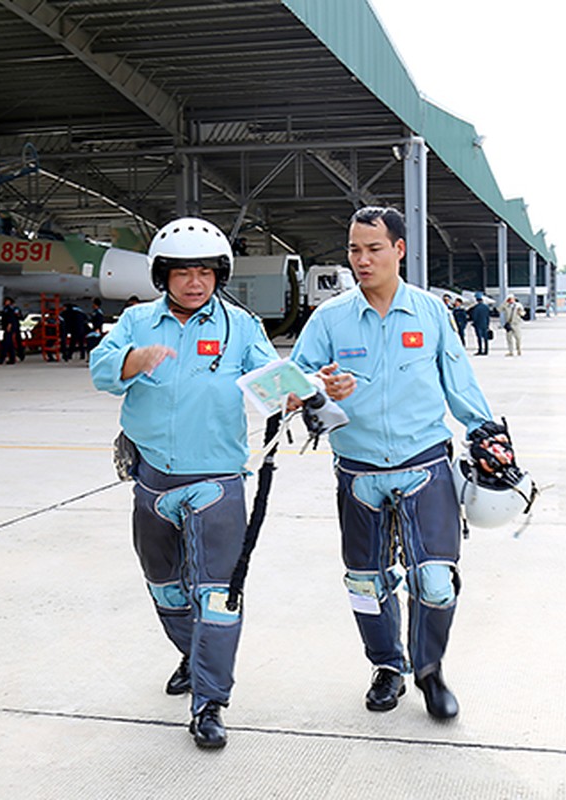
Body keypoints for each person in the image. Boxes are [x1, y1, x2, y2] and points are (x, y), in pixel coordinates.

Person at [289, 206, 513, 721]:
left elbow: (460, 383)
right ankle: (387, 666)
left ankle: (430, 672)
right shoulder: (329, 319)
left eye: (372, 249)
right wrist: (319, 388)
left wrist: (485, 433)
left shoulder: (432, 314)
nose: (362, 260)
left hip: (425, 464)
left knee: (434, 580)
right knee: (366, 582)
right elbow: (290, 384)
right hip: (359, 471)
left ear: (399, 250)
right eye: (353, 250)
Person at [90, 217, 279, 750]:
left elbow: (271, 376)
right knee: (165, 586)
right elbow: (101, 368)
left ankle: (210, 703)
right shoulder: (135, 321)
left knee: (217, 596)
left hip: (216, 480)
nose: (195, 282)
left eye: (205, 272)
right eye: (182, 272)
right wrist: (133, 359)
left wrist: (301, 393)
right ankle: (194, 657)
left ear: (219, 274)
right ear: (162, 275)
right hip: (152, 479)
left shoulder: (240, 326)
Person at [0, 297, 21, 364]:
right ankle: (12, 359)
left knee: (6, 343)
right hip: (8, 327)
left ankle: (2, 358)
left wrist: (9, 325)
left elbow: (10, 317)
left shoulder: (8, 309)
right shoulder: (7, 308)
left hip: (9, 328)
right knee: (9, 344)